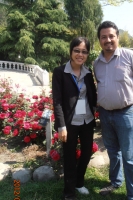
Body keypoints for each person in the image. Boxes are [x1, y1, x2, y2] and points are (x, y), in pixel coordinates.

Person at [93, 21, 133, 200]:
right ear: (99, 40)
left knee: (129, 155)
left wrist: (131, 98)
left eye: (111, 36)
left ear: (117, 37)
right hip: (105, 113)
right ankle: (115, 182)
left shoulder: (131, 57)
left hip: (126, 113)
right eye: (104, 37)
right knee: (112, 151)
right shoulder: (97, 63)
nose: (108, 40)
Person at [52, 37, 97, 200]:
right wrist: (61, 126)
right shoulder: (60, 72)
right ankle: (69, 193)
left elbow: (91, 93)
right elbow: (57, 101)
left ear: (88, 54)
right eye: (77, 50)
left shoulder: (88, 73)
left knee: (86, 153)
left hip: (87, 120)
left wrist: (95, 109)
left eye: (84, 51)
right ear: (71, 51)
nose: (80, 54)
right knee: (70, 157)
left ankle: (79, 183)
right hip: (70, 122)